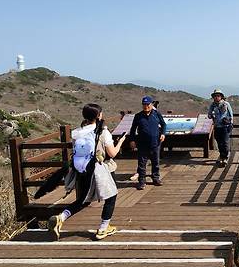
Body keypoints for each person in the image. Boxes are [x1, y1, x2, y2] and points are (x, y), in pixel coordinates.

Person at [48, 103, 125, 240]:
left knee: (83, 199)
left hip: (83, 169)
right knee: (111, 196)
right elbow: (112, 153)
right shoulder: (103, 131)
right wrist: (120, 142)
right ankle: (103, 228)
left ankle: (61, 217)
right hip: (101, 169)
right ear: (98, 115)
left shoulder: (78, 132)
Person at [129, 96, 167, 190]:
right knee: (142, 164)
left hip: (155, 143)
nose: (146, 106)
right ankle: (142, 181)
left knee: (155, 162)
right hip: (142, 144)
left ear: (151, 104)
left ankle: (156, 178)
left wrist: (163, 134)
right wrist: (132, 140)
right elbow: (133, 129)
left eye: (147, 104)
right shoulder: (138, 116)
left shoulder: (156, 114)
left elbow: (163, 124)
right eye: (144, 104)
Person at [207, 89, 234, 167]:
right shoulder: (212, 105)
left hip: (225, 126)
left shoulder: (226, 104)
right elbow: (209, 115)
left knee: (225, 142)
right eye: (215, 96)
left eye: (218, 96)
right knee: (219, 142)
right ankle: (221, 156)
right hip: (217, 126)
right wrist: (211, 115)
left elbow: (231, 114)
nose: (216, 97)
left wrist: (231, 124)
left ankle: (224, 158)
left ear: (221, 96)